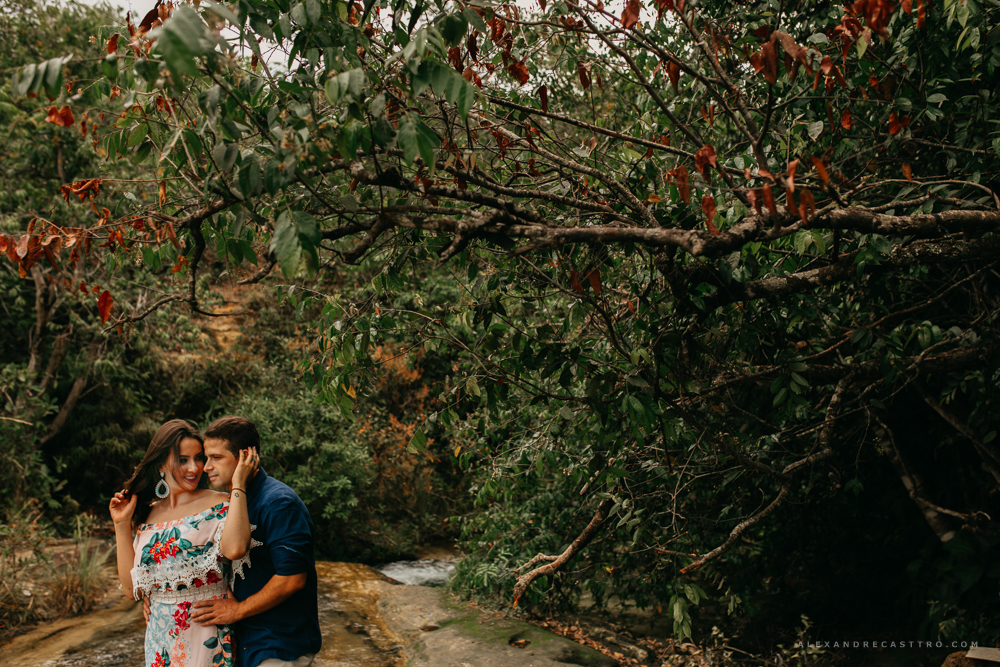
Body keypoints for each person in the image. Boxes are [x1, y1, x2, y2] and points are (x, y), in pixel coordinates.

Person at [109, 419, 258, 667]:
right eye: (182, 459)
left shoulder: (222, 503)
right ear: (159, 465)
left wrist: (238, 485)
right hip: (159, 640)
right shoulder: (147, 515)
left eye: (198, 458)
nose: (194, 468)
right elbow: (130, 589)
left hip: (206, 632)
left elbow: (235, 549)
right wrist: (121, 524)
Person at [189, 416, 322, 667]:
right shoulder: (234, 501)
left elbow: (293, 578)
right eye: (206, 458)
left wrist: (237, 611)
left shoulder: (279, 503)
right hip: (247, 643)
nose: (206, 467)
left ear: (245, 457)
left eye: (216, 458)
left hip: (280, 646)